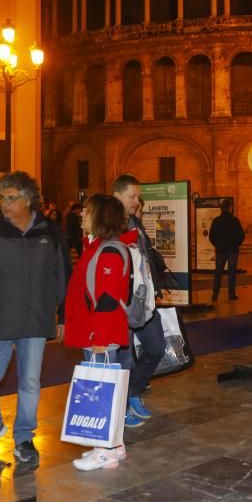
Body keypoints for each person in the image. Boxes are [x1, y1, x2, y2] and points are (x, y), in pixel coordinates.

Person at [0, 171, 71, 464]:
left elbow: (63, 276)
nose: (5, 204)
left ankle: (24, 438)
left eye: (12, 198)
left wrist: (64, 315)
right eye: (2, 198)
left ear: (29, 199)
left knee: (30, 382)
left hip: (36, 319)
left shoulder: (49, 231)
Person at [64, 194, 132, 471]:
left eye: (88, 211)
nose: (82, 215)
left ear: (101, 216)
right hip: (94, 333)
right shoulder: (97, 247)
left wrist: (101, 339)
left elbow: (107, 298)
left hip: (100, 335)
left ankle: (104, 450)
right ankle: (114, 445)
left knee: (99, 391)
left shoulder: (110, 251)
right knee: (104, 387)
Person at [112, 174, 166, 428]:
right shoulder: (106, 223)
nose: (136, 201)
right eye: (132, 196)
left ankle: (133, 390)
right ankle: (120, 407)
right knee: (124, 360)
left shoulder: (135, 220)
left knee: (156, 347)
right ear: (117, 196)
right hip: (120, 304)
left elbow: (144, 258)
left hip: (143, 300)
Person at [209, 199, 245, 301]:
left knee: (218, 272)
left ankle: (215, 294)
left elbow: (211, 236)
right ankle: (231, 294)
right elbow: (241, 235)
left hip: (221, 250)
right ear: (230, 208)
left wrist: (217, 244)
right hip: (233, 250)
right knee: (232, 272)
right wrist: (236, 244)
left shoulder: (216, 221)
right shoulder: (235, 220)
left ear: (221, 209)